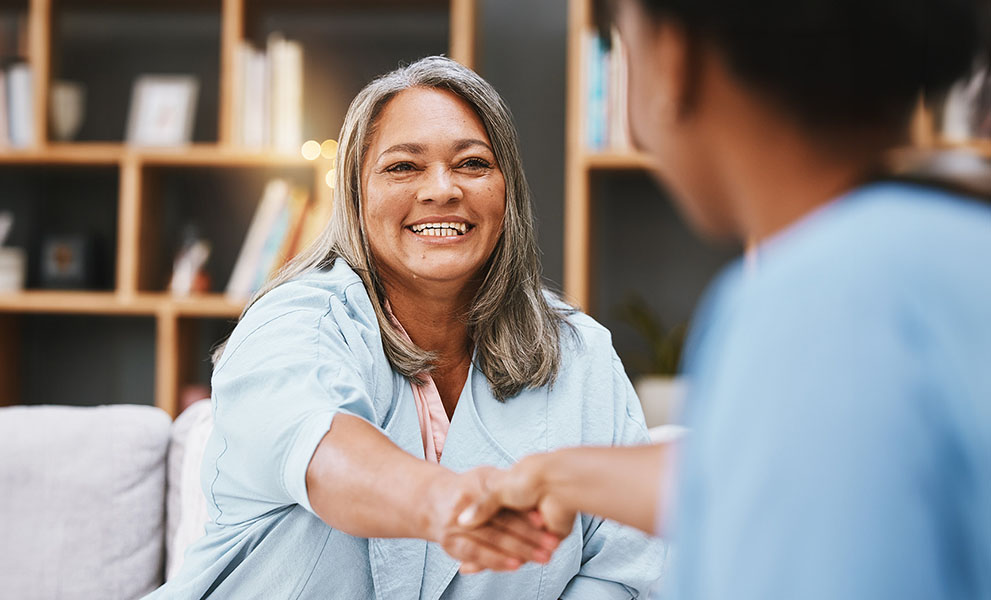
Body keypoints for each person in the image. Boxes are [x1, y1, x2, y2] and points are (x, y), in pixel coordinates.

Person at [459, 0, 991, 598]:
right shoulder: (956, 244)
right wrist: (557, 476)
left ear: (672, 57)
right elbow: (821, 480)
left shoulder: (811, 305)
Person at [147, 56, 662, 599]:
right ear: (355, 194)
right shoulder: (291, 324)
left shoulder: (581, 353)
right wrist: (449, 505)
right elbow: (321, 451)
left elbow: (625, 570)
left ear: (506, 190)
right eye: (402, 167)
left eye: (472, 164)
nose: (442, 189)